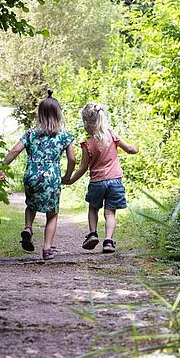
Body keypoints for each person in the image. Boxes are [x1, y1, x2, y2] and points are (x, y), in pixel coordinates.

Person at [0, 91, 76, 260]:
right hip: (52, 177)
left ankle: (28, 228)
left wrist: (1, 168)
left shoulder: (31, 133)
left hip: (31, 175)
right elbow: (72, 159)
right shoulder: (64, 135)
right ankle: (47, 249)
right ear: (58, 114)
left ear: (39, 113)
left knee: (31, 206)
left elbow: (15, 150)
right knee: (52, 214)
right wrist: (67, 176)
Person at [63, 103, 138, 253]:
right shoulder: (112, 135)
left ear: (86, 123)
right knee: (110, 212)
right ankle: (108, 241)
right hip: (115, 181)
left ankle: (92, 234)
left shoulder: (87, 144)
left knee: (93, 208)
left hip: (97, 182)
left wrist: (69, 180)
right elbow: (129, 149)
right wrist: (136, 148)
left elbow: (83, 167)